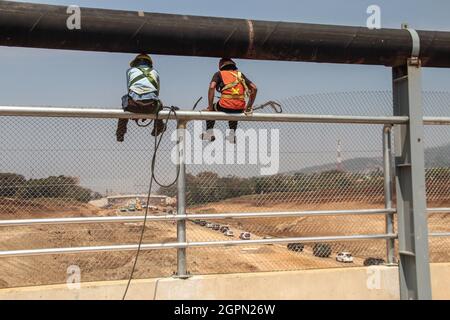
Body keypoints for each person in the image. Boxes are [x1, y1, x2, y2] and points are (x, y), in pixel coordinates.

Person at [201, 58, 258, 144]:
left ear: (221, 66)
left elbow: (212, 87)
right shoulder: (240, 74)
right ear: (233, 65)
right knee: (234, 111)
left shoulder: (219, 74)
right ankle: (232, 135)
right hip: (239, 107)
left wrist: (209, 107)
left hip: (224, 105)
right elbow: (254, 88)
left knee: (212, 108)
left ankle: (209, 133)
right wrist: (248, 107)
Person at [116, 54, 166, 142]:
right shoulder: (155, 72)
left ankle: (120, 133)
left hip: (133, 105)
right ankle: (158, 127)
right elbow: (157, 92)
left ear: (135, 63)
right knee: (159, 104)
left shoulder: (130, 71)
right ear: (150, 63)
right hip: (151, 106)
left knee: (124, 99)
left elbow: (129, 89)